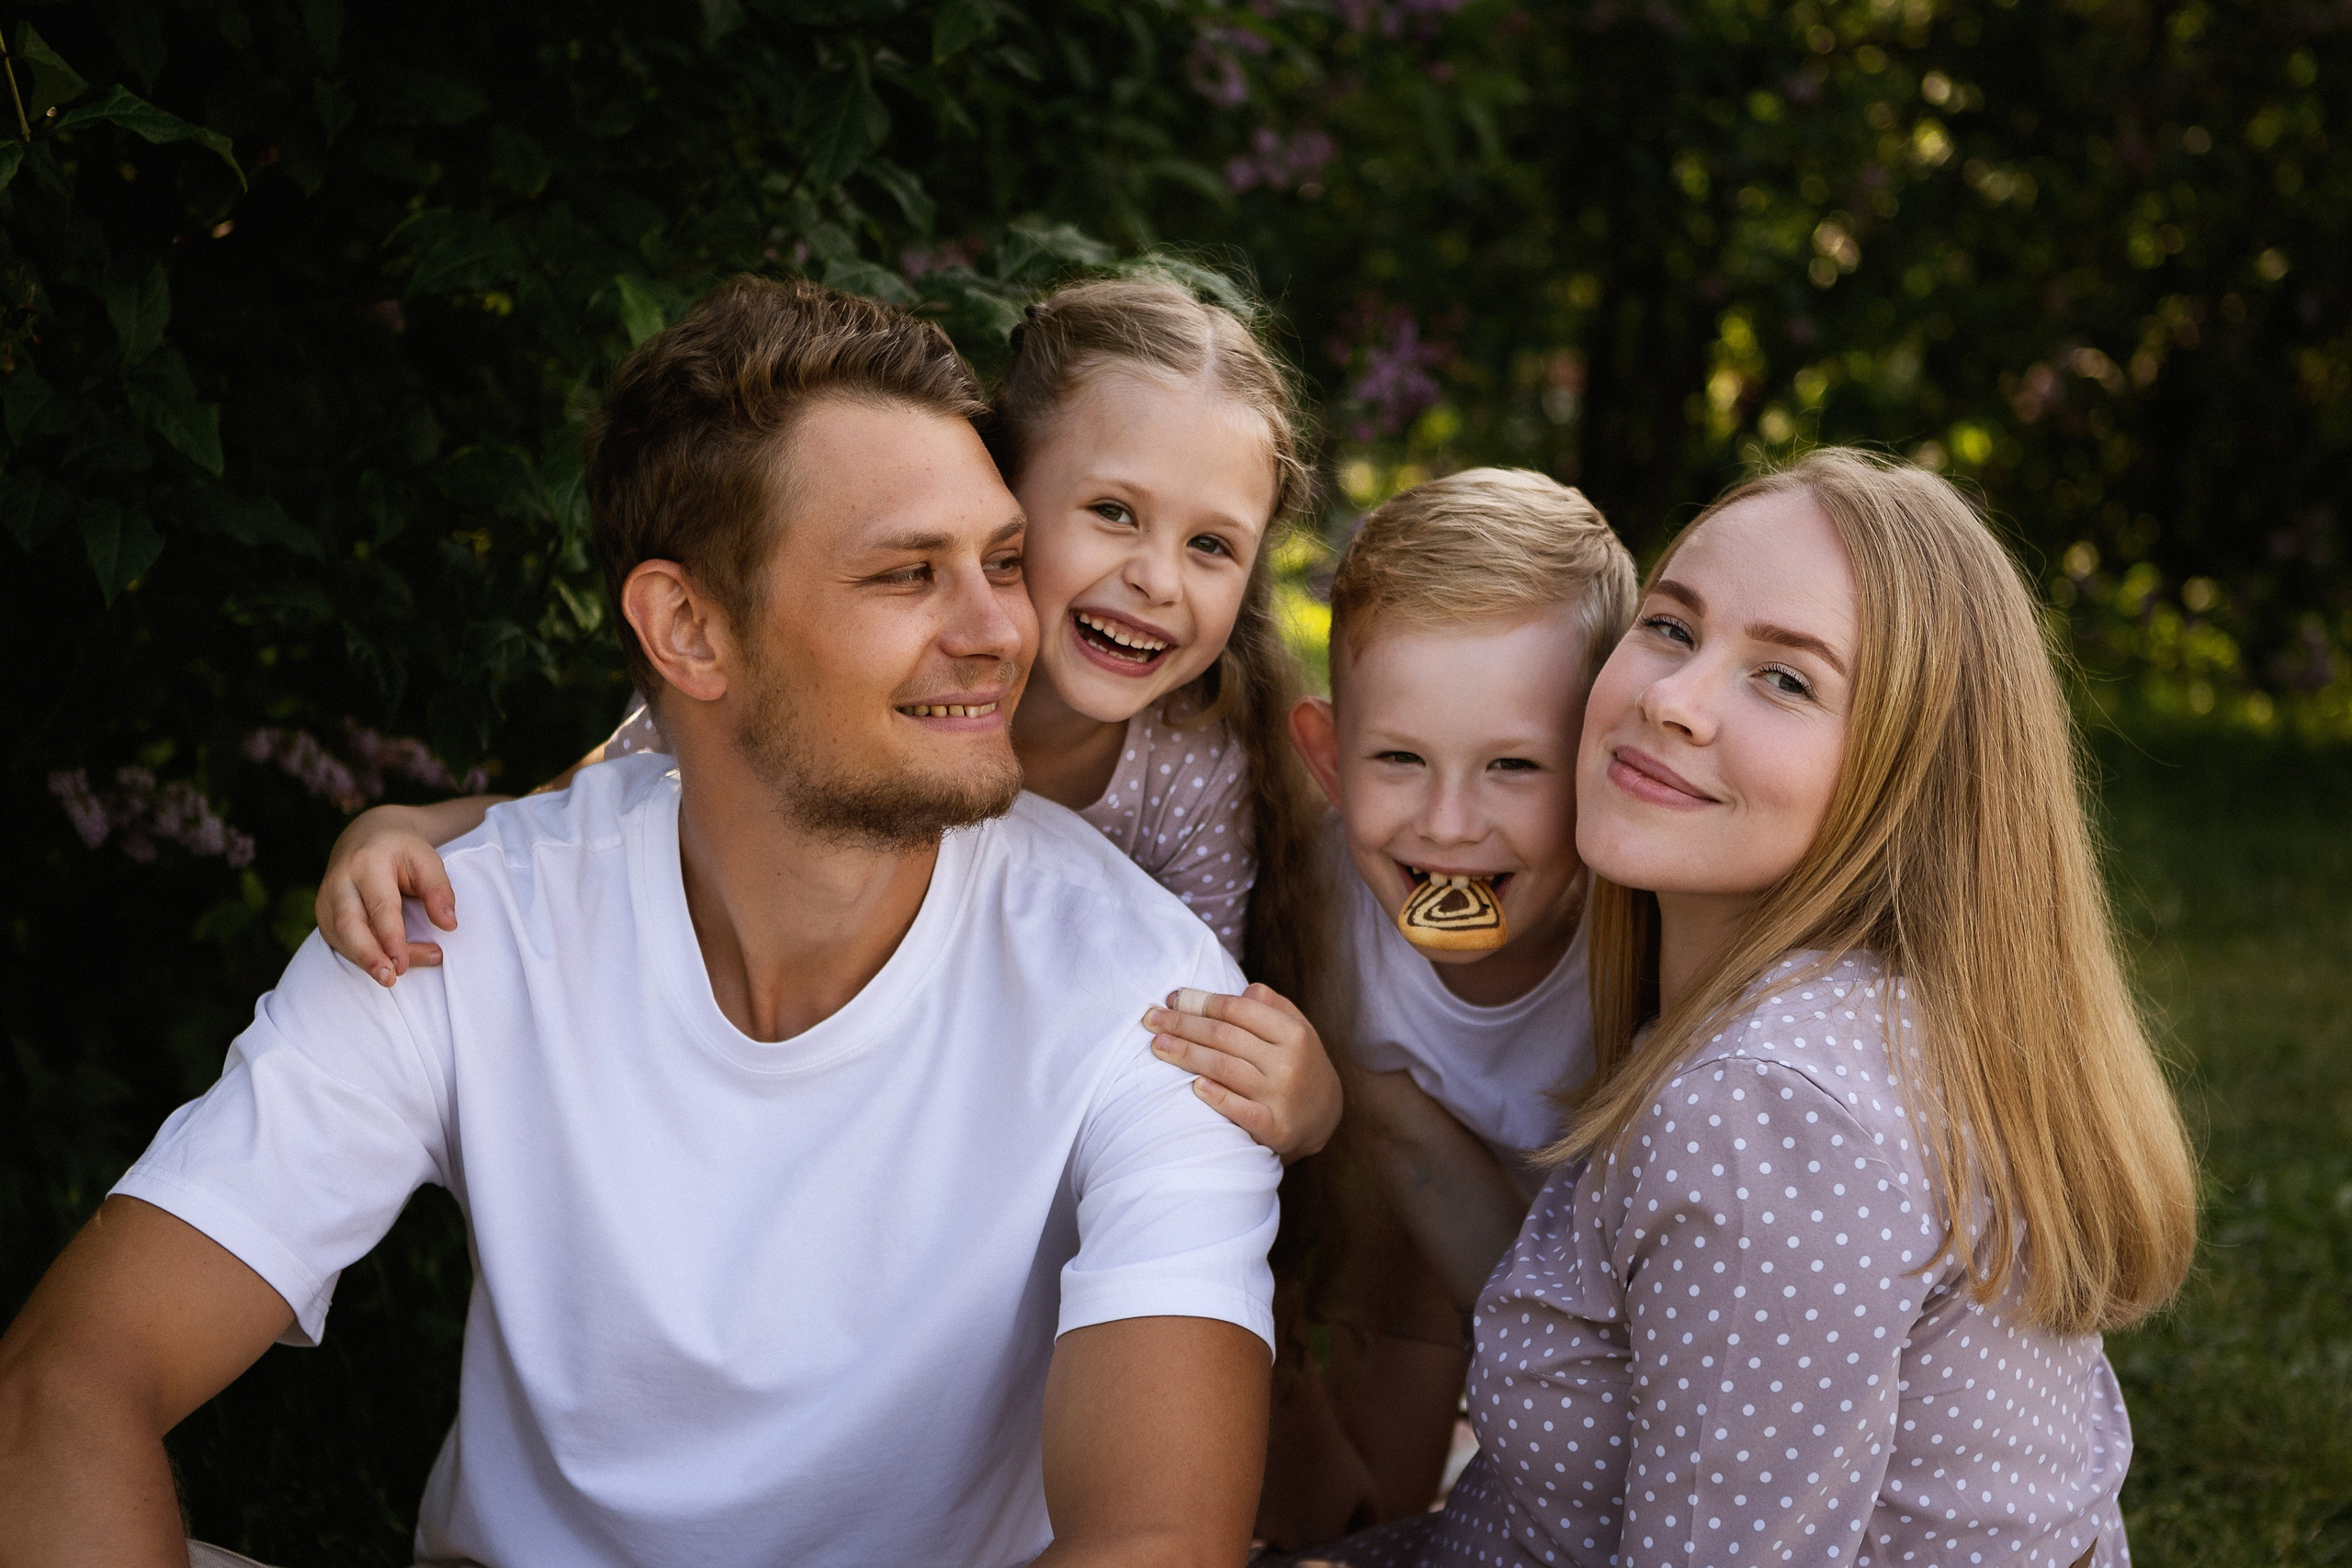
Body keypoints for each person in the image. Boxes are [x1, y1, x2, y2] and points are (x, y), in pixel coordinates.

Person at [0, 277, 1285, 1568]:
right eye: (909, 573)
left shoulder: (1156, 1003)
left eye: (1004, 562)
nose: (1001, 628)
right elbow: (66, 1380)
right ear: (686, 628)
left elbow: (1160, 1536)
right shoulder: (463, 919)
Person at [1286, 446, 2199, 1568]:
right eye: (1671, 627)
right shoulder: (1816, 1015)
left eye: (1785, 679)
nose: (1672, 701)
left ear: (1901, 778)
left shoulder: (1769, 1116)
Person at [311, 271, 1343, 1165]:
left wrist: (1302, 1100)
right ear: (1000, 491)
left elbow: (1194, 1017)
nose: (1157, 577)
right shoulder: (805, 680)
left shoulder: (1191, 767)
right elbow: (590, 805)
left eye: (1213, 546)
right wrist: (410, 829)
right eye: (1113, 512)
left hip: (999, 1109)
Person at [1259, 469, 1636, 1545]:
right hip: (1434, 1252)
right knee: (1347, 1507)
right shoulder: (1327, 911)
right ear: (1329, 758)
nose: (1449, 825)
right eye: (1399, 760)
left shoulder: (1646, 937)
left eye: (1514, 765)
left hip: (1637, 1292)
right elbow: (1412, 1172)